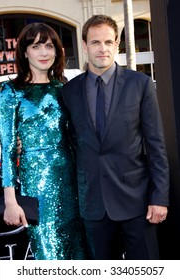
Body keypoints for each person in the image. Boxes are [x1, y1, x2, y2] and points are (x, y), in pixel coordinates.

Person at [62, 14, 170, 260]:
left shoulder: (140, 84)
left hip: (137, 203)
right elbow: (71, 144)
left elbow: (156, 146)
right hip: (93, 206)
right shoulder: (69, 91)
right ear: (85, 46)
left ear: (117, 45)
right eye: (96, 42)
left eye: (108, 42)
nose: (103, 48)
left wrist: (159, 198)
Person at [0, 22, 87, 260]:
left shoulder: (65, 88)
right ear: (25, 52)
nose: (44, 52)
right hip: (36, 189)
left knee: (78, 254)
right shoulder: (10, 92)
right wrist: (10, 201)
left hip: (73, 186)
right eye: (36, 46)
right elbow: (7, 150)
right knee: (48, 257)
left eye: (49, 46)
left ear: (57, 51)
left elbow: (77, 138)